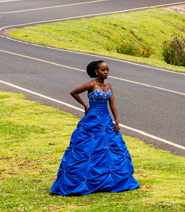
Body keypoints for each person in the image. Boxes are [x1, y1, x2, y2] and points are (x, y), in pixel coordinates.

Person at [50, 60, 139, 196]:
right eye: (103, 70)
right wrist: (85, 105)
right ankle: (85, 180)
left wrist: (116, 120)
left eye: (107, 70)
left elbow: (112, 104)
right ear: (96, 71)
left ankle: (109, 181)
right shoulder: (91, 84)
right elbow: (73, 92)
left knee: (111, 149)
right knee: (88, 150)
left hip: (106, 121)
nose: (106, 72)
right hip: (92, 121)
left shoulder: (109, 85)